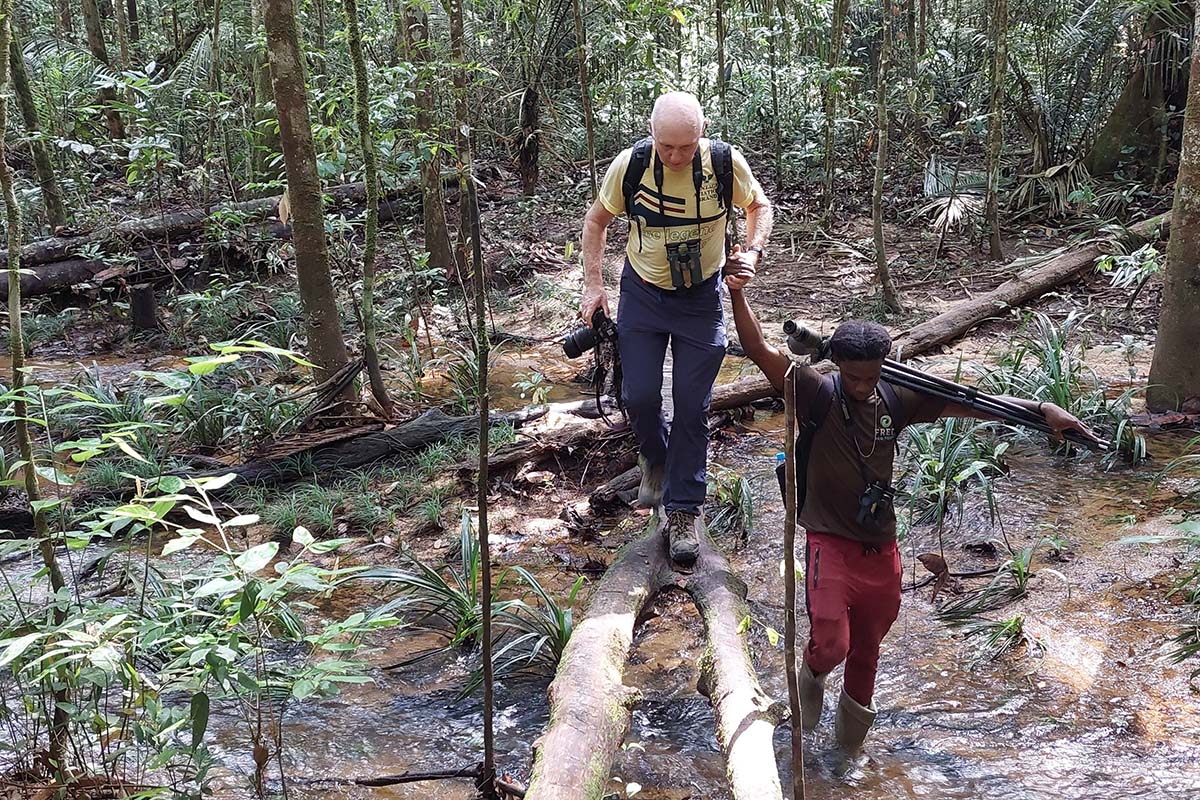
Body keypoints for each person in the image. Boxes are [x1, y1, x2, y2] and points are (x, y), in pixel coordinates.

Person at [724, 265, 1100, 753]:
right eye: (854, 377)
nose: (863, 386)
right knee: (833, 645)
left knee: (867, 653)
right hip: (827, 542)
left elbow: (970, 402)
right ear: (836, 365)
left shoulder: (893, 397)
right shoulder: (815, 392)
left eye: (871, 377)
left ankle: (846, 762)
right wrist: (737, 294)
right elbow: (760, 351)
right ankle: (810, 678)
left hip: (880, 546)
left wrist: (1041, 410)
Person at [579, 91, 773, 569]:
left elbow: (759, 207)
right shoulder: (632, 166)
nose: (675, 156)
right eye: (666, 146)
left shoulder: (724, 165)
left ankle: (684, 510)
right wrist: (592, 286)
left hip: (701, 299)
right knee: (641, 395)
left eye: (685, 146)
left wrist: (751, 251)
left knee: (692, 404)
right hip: (643, 293)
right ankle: (656, 459)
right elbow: (596, 221)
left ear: (701, 134)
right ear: (652, 134)